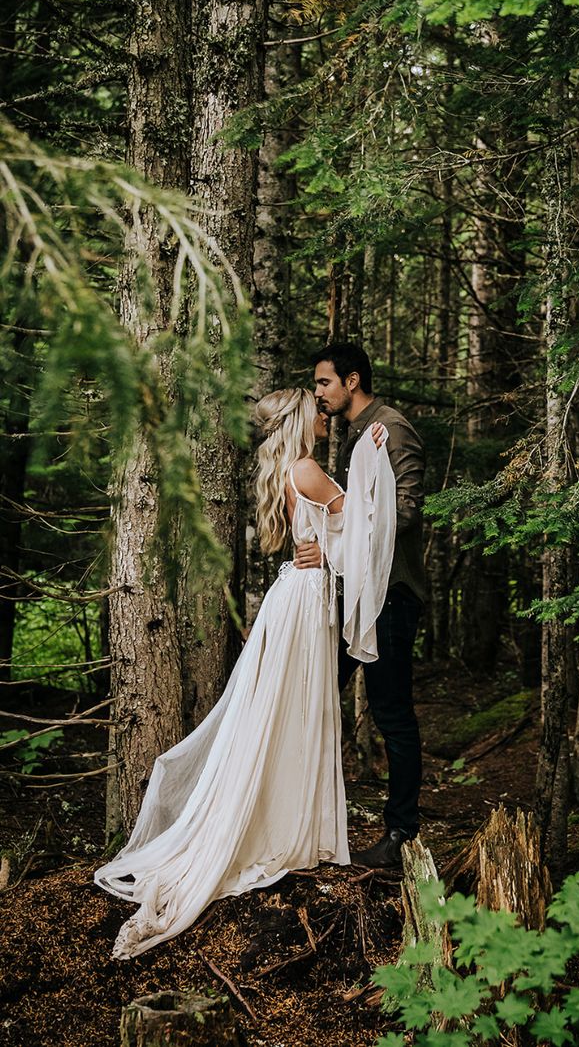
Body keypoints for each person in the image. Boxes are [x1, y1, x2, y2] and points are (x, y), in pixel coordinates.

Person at [95, 388, 393, 959]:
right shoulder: (305, 467)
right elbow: (364, 530)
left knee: (285, 714)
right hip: (304, 603)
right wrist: (374, 461)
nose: (325, 417)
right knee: (295, 713)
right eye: (317, 409)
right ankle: (287, 833)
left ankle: (288, 826)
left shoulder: (288, 467)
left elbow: (333, 539)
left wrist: (330, 544)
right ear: (301, 420)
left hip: (296, 595)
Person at [296, 343, 426, 869]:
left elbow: (410, 513)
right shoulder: (357, 432)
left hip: (391, 594)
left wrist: (336, 539)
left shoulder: (389, 428)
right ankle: (310, 818)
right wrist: (324, 549)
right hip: (359, 594)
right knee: (315, 689)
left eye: (324, 383)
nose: (318, 393)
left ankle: (401, 835)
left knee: (392, 711)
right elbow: (354, 519)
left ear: (352, 381)